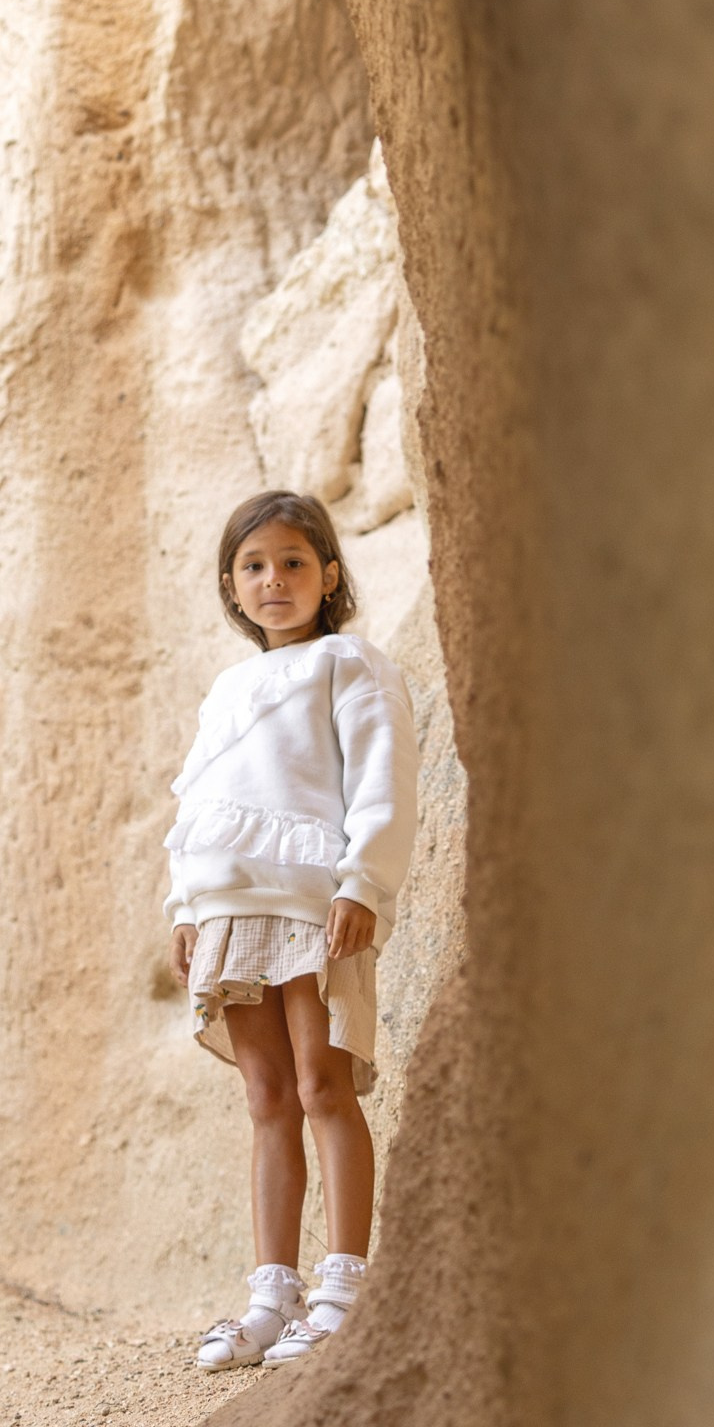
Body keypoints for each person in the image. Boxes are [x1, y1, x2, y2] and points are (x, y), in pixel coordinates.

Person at [166, 489, 417, 1372]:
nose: (273, 580)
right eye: (253, 567)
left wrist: (363, 884)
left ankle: (345, 1285)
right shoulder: (228, 687)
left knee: (323, 1086)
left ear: (329, 575)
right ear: (231, 588)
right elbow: (196, 801)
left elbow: (381, 781)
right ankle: (272, 1293)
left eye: (292, 563)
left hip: (314, 903)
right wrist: (186, 906)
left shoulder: (350, 664)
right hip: (232, 907)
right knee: (265, 1097)